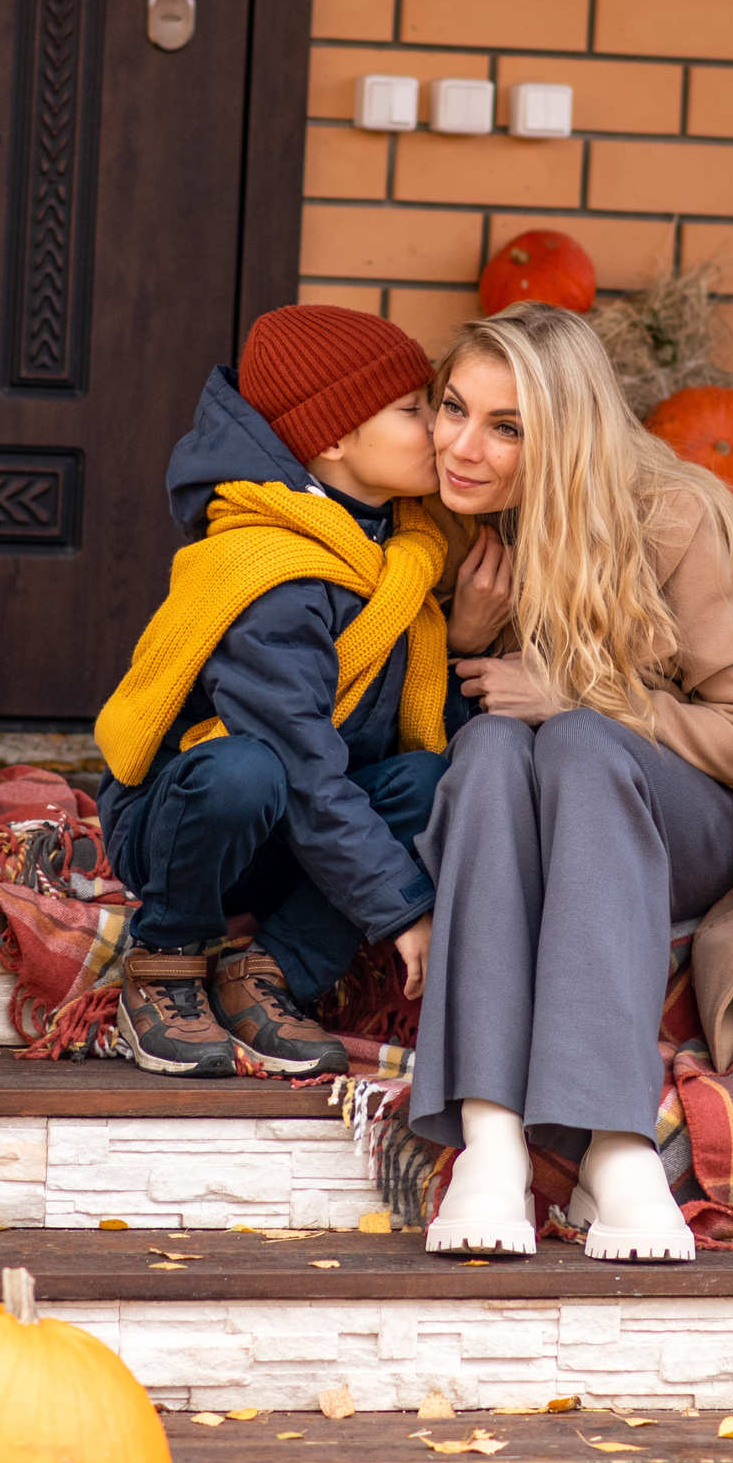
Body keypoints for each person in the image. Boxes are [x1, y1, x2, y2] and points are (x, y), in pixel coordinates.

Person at [408, 302, 733, 1263]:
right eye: (453, 407)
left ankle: (619, 1143)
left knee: (580, 742)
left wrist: (584, 694)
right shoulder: (433, 517)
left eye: (505, 428)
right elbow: (419, 746)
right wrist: (464, 639)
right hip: (530, 820)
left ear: (561, 435)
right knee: (489, 752)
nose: (463, 447)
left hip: (679, 825)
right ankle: (492, 1142)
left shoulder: (669, 517)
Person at [93, 305, 511, 1080]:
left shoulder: (398, 547)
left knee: (438, 779)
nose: (441, 433)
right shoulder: (269, 571)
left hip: (295, 829)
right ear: (331, 440)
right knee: (244, 768)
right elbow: (301, 761)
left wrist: (467, 646)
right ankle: (166, 960)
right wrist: (403, 909)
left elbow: (393, 735)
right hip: (192, 827)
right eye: (414, 411)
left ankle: (271, 972)